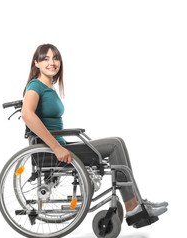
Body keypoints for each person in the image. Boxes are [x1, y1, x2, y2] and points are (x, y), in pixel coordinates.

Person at [21, 43, 168, 223]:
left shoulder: (48, 87)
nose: (52, 62)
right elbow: (27, 114)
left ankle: (137, 201)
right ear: (36, 63)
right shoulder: (35, 86)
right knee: (114, 145)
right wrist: (57, 148)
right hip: (52, 152)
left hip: (61, 146)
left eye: (56, 58)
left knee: (118, 141)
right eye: (46, 59)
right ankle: (132, 207)